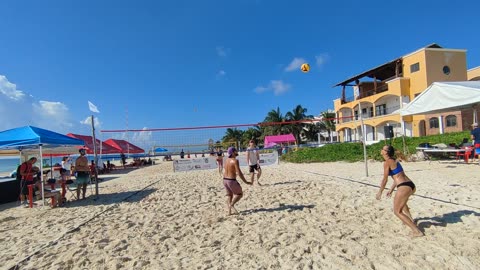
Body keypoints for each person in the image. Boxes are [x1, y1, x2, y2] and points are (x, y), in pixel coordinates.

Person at [376, 145, 424, 237]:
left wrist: (380, 192)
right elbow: (397, 176)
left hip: (403, 186)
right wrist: (391, 189)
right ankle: (411, 219)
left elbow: (385, 179)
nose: (381, 150)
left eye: (383, 149)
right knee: (402, 203)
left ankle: (416, 231)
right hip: (411, 185)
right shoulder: (395, 161)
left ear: (386, 152)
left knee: (397, 211)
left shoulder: (387, 162)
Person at [223, 147, 251, 215]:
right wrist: (246, 181)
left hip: (224, 180)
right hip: (231, 180)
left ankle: (229, 212)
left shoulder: (226, 160)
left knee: (230, 195)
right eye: (235, 151)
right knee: (239, 194)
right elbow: (239, 173)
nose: (237, 151)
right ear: (232, 153)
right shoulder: (235, 160)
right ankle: (232, 205)